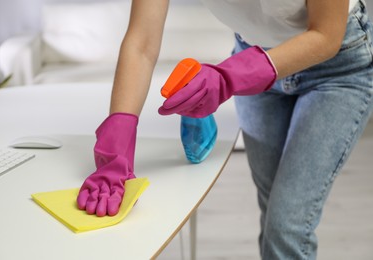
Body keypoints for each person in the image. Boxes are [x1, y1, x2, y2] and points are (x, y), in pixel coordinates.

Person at [77, 0, 373, 258]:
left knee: (287, 225)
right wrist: (118, 135)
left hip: (336, 69)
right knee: (273, 210)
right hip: (256, 61)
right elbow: (141, 43)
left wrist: (229, 78)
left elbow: (326, 35)